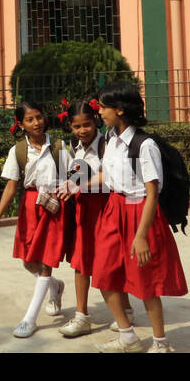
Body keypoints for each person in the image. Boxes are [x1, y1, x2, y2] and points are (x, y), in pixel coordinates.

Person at [92, 81, 187, 353]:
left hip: (140, 213)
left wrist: (141, 235)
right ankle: (128, 336)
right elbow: (106, 177)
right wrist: (74, 183)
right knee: (103, 275)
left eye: (103, 106)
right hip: (114, 209)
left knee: (146, 283)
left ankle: (160, 343)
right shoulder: (109, 138)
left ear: (120, 109)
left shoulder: (143, 145)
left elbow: (152, 192)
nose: (99, 111)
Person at [0, 100, 67, 337]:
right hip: (30, 208)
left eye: (39, 117)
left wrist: (64, 190)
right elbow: (11, 187)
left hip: (54, 208)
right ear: (20, 124)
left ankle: (29, 319)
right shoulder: (18, 151)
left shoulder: (60, 147)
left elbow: (73, 176)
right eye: (30, 119)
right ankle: (55, 286)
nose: (37, 123)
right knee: (28, 262)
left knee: (45, 263)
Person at [56, 97, 133, 338]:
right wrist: (66, 185)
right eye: (76, 126)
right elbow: (70, 175)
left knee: (112, 261)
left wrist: (81, 185)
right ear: (70, 126)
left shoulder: (108, 145)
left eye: (86, 124)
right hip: (83, 211)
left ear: (96, 121)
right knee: (81, 261)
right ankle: (81, 316)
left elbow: (111, 177)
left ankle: (127, 309)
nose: (82, 130)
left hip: (106, 209)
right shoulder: (71, 147)